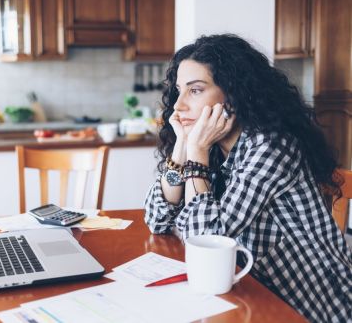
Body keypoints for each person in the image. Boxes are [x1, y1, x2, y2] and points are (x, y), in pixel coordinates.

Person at [144, 34, 351, 322]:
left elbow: (206, 242)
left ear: (234, 94)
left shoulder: (272, 146)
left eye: (195, 90)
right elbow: (156, 219)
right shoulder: (213, 149)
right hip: (252, 295)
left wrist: (197, 151)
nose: (177, 106)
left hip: (312, 307)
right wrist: (182, 146)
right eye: (178, 90)